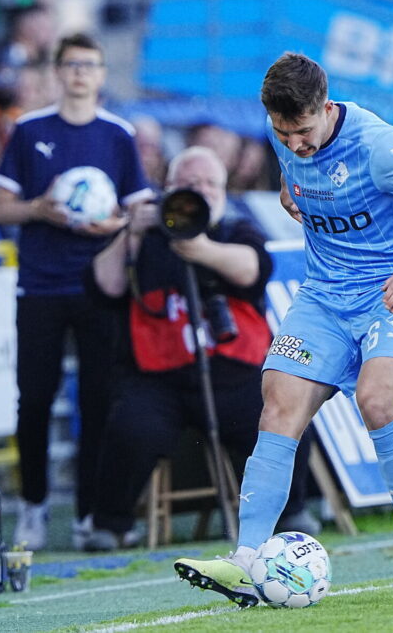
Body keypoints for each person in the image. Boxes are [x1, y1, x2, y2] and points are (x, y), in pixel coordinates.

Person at [174, 52, 393, 605]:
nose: (294, 144)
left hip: (392, 290)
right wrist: (295, 191)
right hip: (322, 295)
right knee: (276, 402)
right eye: (282, 132)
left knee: (378, 402)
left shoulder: (379, 146)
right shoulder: (283, 134)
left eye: (304, 131)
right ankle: (245, 562)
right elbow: (300, 177)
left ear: (326, 105)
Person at [0, 33, 153, 550]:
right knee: (34, 399)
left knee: (99, 401)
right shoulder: (28, 130)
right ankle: (33, 506)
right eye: (71, 64)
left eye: (90, 64)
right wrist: (40, 209)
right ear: (58, 72)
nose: (80, 73)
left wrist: (113, 224)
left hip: (98, 287)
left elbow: (140, 212)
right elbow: (0, 208)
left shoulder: (118, 135)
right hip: (39, 286)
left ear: (102, 75)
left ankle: (88, 514)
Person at [83, 146, 273, 550]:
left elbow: (253, 267)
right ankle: (110, 523)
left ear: (223, 190)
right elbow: (105, 286)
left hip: (231, 374)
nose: (200, 192)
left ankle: (289, 513)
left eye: (209, 184)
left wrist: (202, 248)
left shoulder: (236, 229)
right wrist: (133, 232)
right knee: (131, 426)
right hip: (158, 377)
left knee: (276, 416)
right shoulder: (146, 238)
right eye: (188, 184)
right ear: (166, 189)